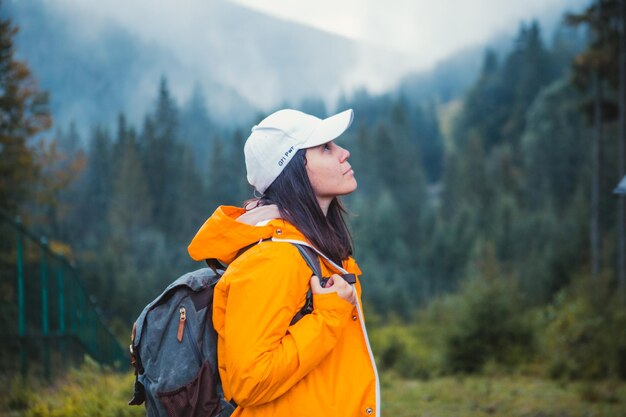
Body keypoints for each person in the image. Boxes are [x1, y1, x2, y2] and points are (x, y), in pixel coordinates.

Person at [187, 108, 379, 417]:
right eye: (325, 148)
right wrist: (326, 318)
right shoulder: (272, 259)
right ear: (291, 169)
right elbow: (248, 381)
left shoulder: (314, 252)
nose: (344, 153)